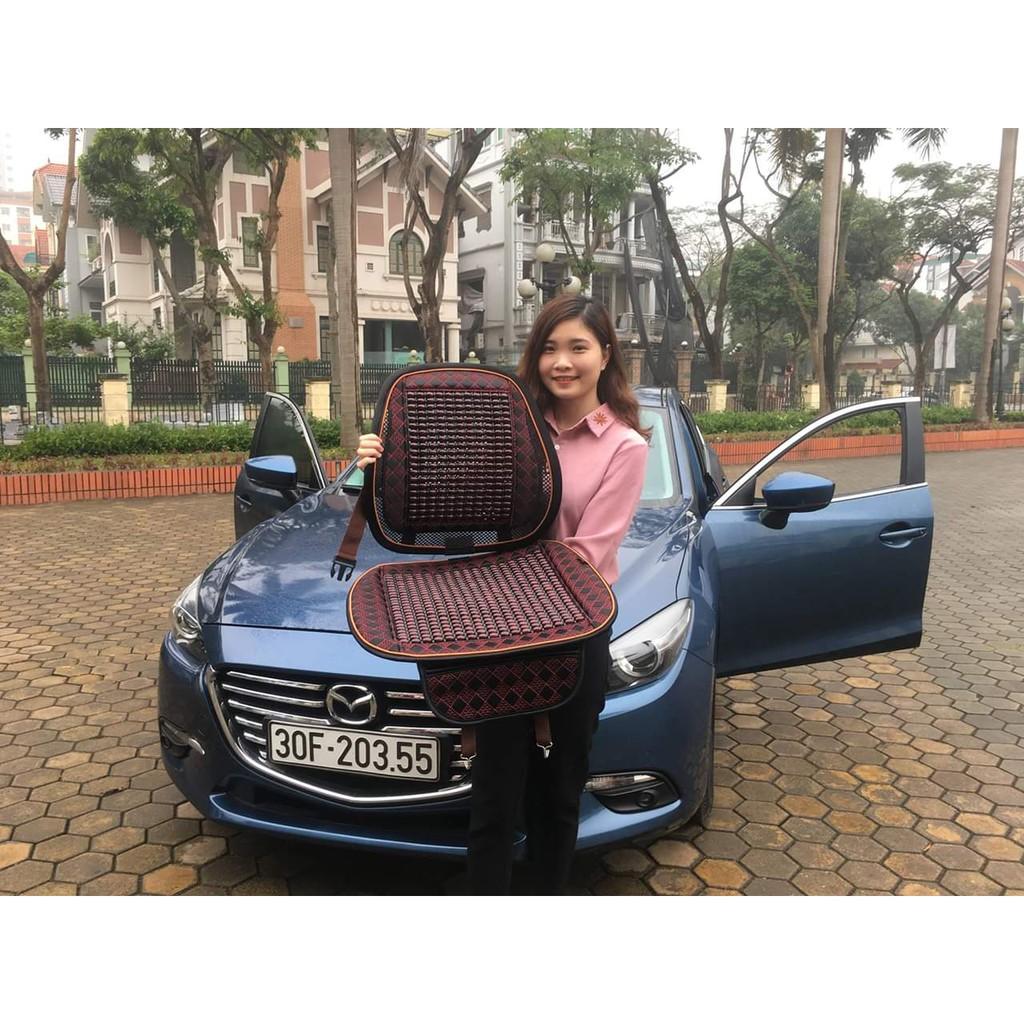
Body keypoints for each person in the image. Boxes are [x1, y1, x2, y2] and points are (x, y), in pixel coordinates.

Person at [354, 294, 650, 895]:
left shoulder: (625, 447)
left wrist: (499, 579)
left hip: (572, 637)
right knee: (492, 794)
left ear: (605, 355)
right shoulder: (502, 423)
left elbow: (586, 557)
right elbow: (445, 502)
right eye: (549, 348)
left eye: (577, 347)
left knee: (558, 793)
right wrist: (380, 463)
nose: (561, 362)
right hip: (491, 635)